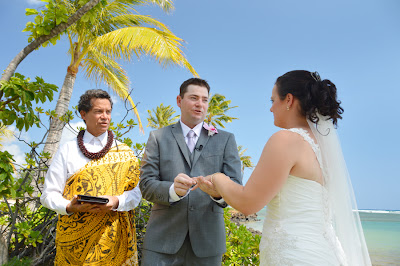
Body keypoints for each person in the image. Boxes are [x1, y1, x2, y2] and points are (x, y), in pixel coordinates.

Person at [195, 70, 371, 265]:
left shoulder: (286, 140)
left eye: (272, 101)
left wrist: (219, 179)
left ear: (288, 100)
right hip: (324, 252)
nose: (271, 109)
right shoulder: (323, 149)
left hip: (294, 256)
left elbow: (248, 203)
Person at [139, 78, 242, 265]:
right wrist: (172, 191)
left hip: (208, 244)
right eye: (194, 98)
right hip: (161, 243)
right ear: (179, 101)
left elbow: (236, 187)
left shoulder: (226, 140)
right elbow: (146, 185)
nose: (200, 104)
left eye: (204, 99)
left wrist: (218, 193)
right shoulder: (158, 137)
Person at [40, 89, 142, 265]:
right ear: (83, 114)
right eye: (98, 111)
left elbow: (137, 193)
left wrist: (116, 202)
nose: (105, 117)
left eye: (108, 112)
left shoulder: (125, 152)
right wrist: (69, 207)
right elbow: (48, 194)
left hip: (114, 244)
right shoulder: (68, 149)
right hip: (73, 246)